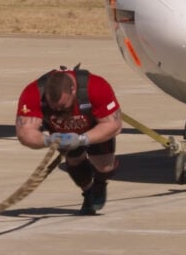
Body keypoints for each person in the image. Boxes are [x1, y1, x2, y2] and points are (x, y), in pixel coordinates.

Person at [16, 67, 123, 215]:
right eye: (53, 107)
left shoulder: (96, 87)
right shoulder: (33, 93)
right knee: (74, 161)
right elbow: (24, 132)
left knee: (105, 166)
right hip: (61, 132)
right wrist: (49, 140)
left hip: (94, 127)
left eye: (62, 106)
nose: (58, 110)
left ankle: (99, 184)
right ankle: (88, 193)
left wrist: (81, 139)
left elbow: (114, 125)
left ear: (73, 90)